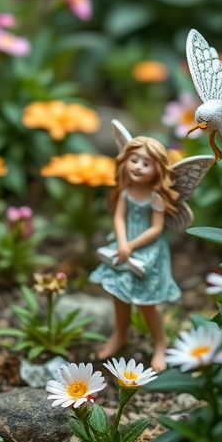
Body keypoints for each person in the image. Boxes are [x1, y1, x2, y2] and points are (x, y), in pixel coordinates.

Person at [90, 135, 182, 371]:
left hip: (146, 252)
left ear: (158, 169)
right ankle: (120, 334)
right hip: (123, 247)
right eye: (134, 160)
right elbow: (119, 218)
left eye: (146, 163)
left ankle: (160, 341)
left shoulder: (155, 196)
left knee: (145, 302)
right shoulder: (127, 190)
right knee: (118, 293)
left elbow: (156, 229)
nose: (138, 167)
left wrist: (131, 245)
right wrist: (122, 242)